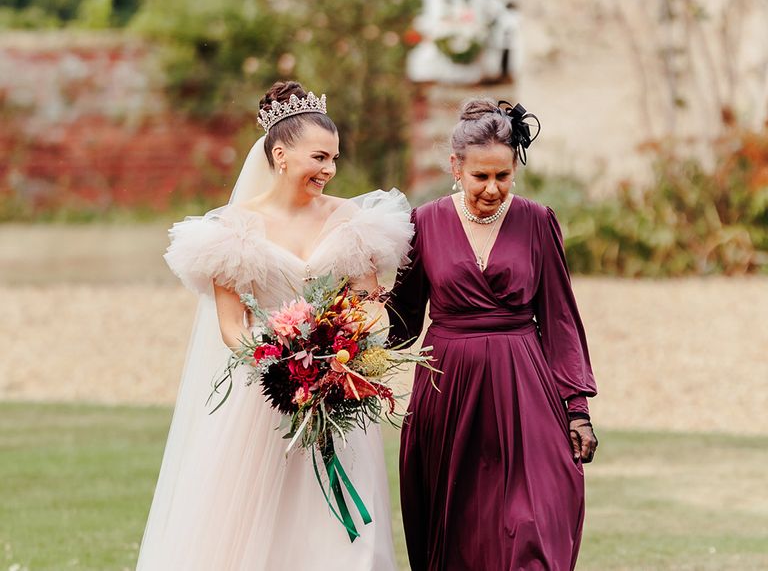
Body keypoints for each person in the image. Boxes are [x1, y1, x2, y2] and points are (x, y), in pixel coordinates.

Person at [136, 81, 412, 570]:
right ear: (280, 155)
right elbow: (231, 324)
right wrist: (276, 359)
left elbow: (370, 303)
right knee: (254, 522)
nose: (328, 170)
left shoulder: (351, 219)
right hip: (266, 394)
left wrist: (348, 346)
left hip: (338, 387)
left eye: (334, 159)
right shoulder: (233, 229)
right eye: (319, 158)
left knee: (338, 529)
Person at [388, 99, 598, 571]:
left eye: (502, 177)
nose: (492, 188)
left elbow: (561, 320)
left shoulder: (537, 221)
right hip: (448, 392)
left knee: (534, 526)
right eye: (481, 176)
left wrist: (577, 409)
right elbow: (401, 325)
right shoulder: (423, 223)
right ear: (455, 168)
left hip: (525, 392)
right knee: (458, 532)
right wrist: (339, 343)